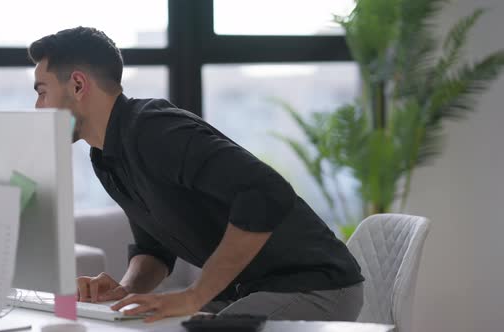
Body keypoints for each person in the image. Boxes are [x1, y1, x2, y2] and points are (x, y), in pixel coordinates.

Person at [29, 26, 364, 323]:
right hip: (249, 291)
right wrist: (123, 291)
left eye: (42, 91)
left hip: (315, 286)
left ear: (77, 84)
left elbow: (266, 193)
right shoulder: (105, 157)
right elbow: (155, 248)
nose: (38, 107)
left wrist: (193, 295)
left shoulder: (154, 130)